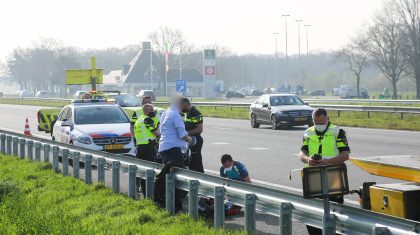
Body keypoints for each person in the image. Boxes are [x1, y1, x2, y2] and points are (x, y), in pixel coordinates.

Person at [298, 108, 350, 235]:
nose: (319, 125)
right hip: (313, 176)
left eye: (322, 122)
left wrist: (327, 162)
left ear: (327, 119)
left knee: (334, 208)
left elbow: (345, 155)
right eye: (316, 122)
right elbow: (302, 153)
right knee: (313, 210)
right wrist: (308, 159)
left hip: (333, 173)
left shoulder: (337, 132)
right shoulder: (308, 132)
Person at [158, 97, 192, 212]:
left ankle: (168, 203)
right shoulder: (176, 115)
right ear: (181, 104)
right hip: (173, 149)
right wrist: (190, 140)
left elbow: (161, 130)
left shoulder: (165, 112)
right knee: (178, 178)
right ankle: (176, 206)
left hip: (164, 148)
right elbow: (182, 134)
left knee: (169, 177)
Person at [134, 103, 160, 197]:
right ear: (146, 111)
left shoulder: (139, 120)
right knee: (149, 172)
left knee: (142, 172)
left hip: (140, 148)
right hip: (148, 148)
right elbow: (156, 133)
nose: (153, 112)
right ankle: (149, 195)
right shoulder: (147, 120)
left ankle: (145, 193)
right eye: (151, 110)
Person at [180, 97, 204, 173]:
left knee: (196, 161)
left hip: (195, 140)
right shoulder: (187, 113)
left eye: (181, 106)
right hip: (189, 140)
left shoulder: (195, 113)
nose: (181, 108)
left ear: (186, 105)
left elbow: (199, 129)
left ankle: (200, 177)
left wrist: (186, 133)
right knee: (189, 161)